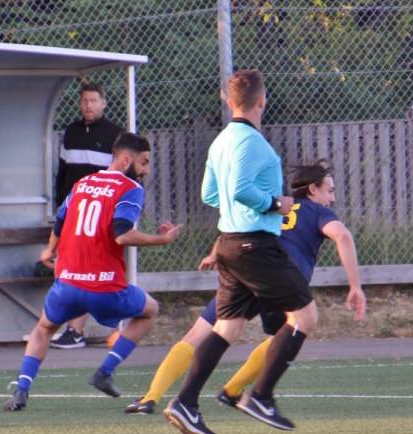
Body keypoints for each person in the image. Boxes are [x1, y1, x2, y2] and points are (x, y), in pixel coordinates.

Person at [125, 161, 366, 417]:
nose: (333, 198)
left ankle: (150, 397)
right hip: (281, 279)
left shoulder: (275, 204)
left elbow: (238, 228)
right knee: (287, 334)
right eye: (329, 191)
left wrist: (214, 253)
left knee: (200, 334)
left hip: (246, 268)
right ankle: (233, 391)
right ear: (313, 190)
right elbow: (342, 235)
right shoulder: (317, 211)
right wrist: (355, 285)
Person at [162, 69, 317, 434]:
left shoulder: (220, 142)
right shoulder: (253, 143)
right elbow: (240, 190)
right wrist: (275, 204)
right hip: (254, 245)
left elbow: (210, 195)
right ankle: (260, 396)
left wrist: (241, 210)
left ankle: (185, 402)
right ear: (262, 100)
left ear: (229, 101)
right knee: (305, 317)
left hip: (230, 243)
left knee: (226, 327)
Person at [3, 133, 183, 411]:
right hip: (103, 287)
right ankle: (104, 372)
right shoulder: (130, 188)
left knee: (43, 329)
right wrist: (162, 239)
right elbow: (122, 234)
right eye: (144, 162)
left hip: (68, 283)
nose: (146, 170)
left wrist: (49, 250)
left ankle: (21, 390)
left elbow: (60, 221)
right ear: (126, 159)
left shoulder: (82, 183)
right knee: (150, 310)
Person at [51, 81, 125, 349]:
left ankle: (81, 330)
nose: (88, 105)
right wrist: (60, 207)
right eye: (84, 100)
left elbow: (123, 177)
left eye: (93, 100)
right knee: (72, 268)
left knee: (92, 268)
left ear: (103, 103)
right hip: (73, 213)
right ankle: (72, 330)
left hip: (100, 215)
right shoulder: (71, 132)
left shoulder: (115, 134)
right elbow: (63, 173)